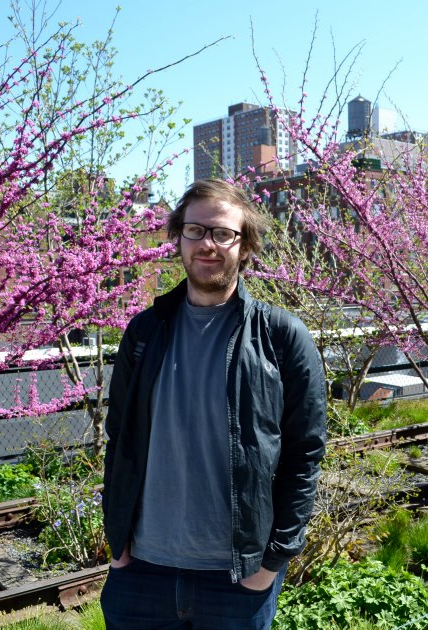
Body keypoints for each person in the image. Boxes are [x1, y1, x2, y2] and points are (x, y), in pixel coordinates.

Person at [100, 179, 327, 629]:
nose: (207, 244)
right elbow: (119, 436)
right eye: (195, 231)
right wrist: (119, 545)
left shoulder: (282, 337)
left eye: (223, 233)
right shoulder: (144, 333)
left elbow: (305, 453)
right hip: (142, 570)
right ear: (178, 238)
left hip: (238, 578)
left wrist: (273, 560)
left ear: (244, 246)